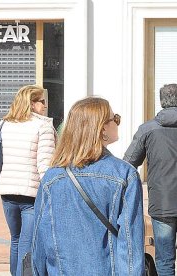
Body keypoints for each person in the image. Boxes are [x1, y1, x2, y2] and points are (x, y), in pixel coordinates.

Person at [31, 97, 144, 275]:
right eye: (115, 118)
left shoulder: (52, 178)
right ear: (102, 128)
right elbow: (130, 243)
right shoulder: (124, 174)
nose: (117, 123)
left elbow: (39, 240)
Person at [0, 84, 56, 276]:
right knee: (26, 243)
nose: (45, 106)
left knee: (15, 239)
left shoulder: (6, 123)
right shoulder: (43, 126)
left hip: (7, 191)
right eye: (42, 101)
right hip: (31, 194)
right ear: (32, 103)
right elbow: (45, 165)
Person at [124, 83, 177, 275]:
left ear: (162, 102)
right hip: (162, 203)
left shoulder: (148, 129)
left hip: (162, 203)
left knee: (164, 260)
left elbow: (128, 163)